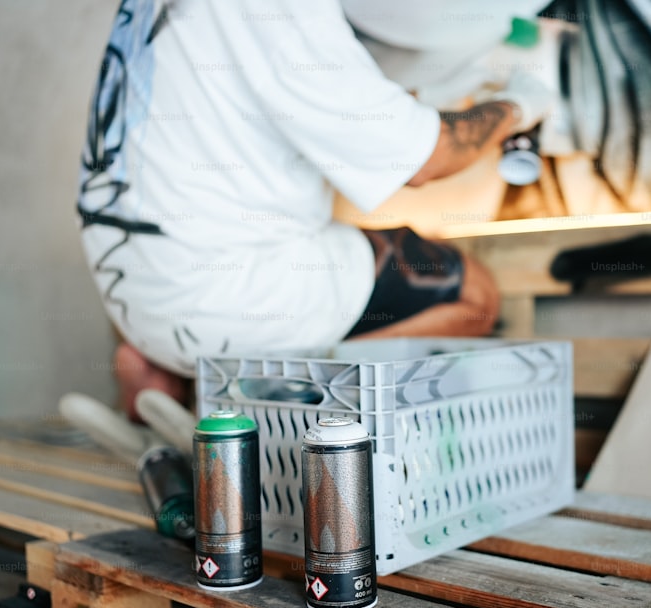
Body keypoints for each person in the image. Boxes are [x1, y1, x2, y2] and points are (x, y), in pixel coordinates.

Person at [77, 0, 554, 419]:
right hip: (223, 296)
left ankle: (158, 380)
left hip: (132, 295)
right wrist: (520, 104)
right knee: (474, 296)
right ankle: (280, 397)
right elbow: (428, 158)